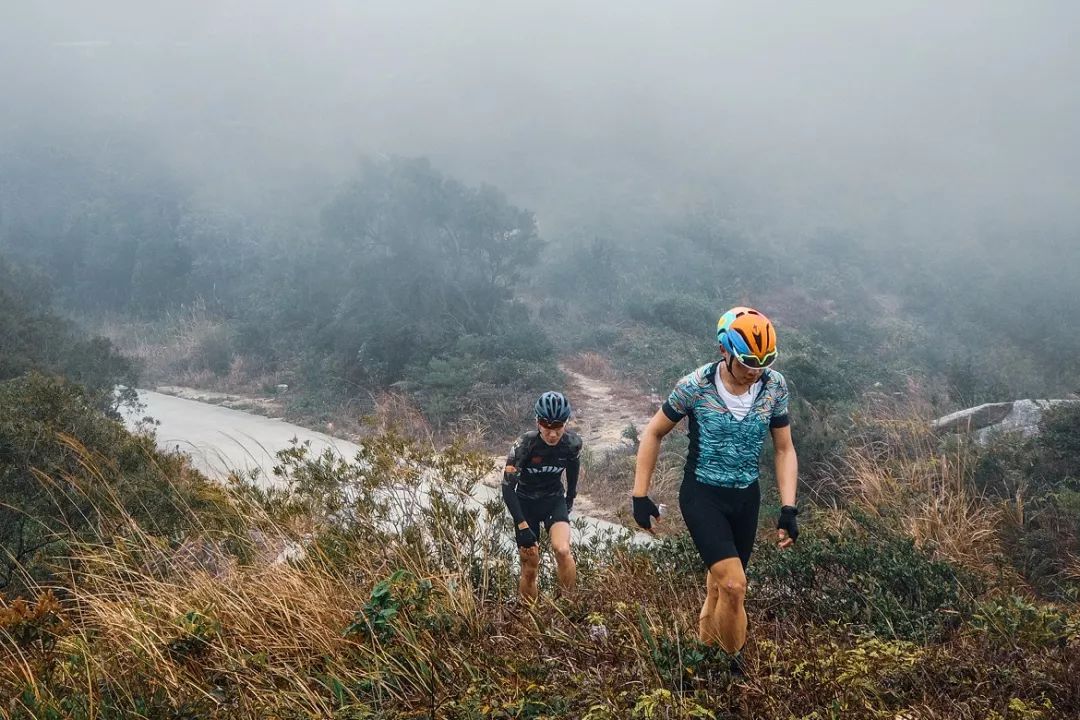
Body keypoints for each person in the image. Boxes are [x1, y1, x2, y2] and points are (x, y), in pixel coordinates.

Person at [631, 306, 799, 672]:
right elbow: (654, 432)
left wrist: (789, 508)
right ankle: (731, 673)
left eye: (763, 362)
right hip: (702, 496)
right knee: (736, 587)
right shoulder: (695, 386)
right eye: (747, 362)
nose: (755, 371)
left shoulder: (775, 386)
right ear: (724, 351)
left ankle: (702, 663)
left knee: (719, 588)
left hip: (746, 497)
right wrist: (640, 495)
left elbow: (784, 448)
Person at [502, 391, 582, 602]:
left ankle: (569, 606)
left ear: (565, 423)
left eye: (558, 428)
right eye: (547, 427)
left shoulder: (572, 443)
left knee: (563, 551)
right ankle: (530, 618)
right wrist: (521, 524)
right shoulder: (524, 445)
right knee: (530, 567)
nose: (553, 434)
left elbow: (573, 467)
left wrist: (570, 497)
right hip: (526, 503)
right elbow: (508, 488)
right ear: (538, 422)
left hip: (553, 500)